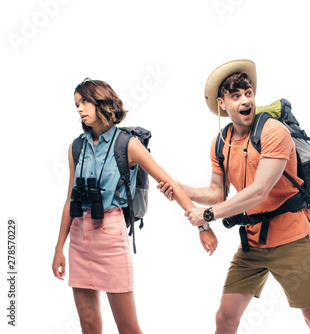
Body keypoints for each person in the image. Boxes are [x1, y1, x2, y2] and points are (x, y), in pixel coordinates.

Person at [158, 60, 310, 333]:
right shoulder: (221, 141)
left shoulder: (274, 132)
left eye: (248, 93)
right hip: (252, 243)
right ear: (222, 104)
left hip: (291, 240)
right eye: (236, 95)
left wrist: (207, 216)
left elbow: (259, 190)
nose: (245, 100)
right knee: (225, 318)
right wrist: (182, 190)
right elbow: (217, 193)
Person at [52, 78, 218, 334]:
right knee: (88, 323)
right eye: (76, 104)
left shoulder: (127, 144)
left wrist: (202, 226)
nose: (80, 109)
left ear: (102, 102)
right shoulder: (76, 147)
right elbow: (69, 199)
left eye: (85, 101)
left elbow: (169, 182)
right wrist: (58, 248)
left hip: (109, 233)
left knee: (128, 327)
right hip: (78, 236)